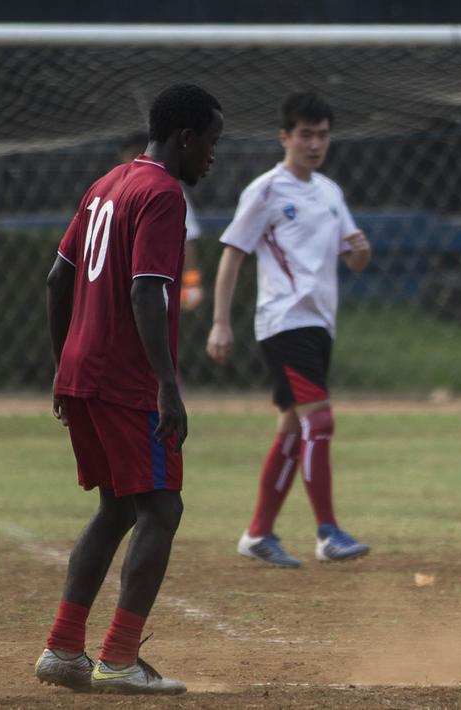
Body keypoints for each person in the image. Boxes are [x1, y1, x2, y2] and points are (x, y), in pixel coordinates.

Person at [35, 83, 223, 694]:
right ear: (185, 138)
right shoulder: (163, 194)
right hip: (126, 379)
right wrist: (168, 386)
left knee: (117, 506)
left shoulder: (107, 183)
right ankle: (117, 659)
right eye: (211, 144)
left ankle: (64, 650)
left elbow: (56, 279)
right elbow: (148, 289)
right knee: (162, 508)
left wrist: (65, 363)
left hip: (83, 373)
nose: (212, 159)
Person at [207, 91, 372, 569]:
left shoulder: (329, 192)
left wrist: (361, 251)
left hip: (320, 324)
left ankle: (258, 533)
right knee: (319, 422)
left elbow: (356, 259)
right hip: (283, 322)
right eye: (306, 134)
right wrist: (220, 323)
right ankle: (327, 532)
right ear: (285, 137)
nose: (315, 143)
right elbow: (233, 254)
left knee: (292, 430)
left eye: (322, 134)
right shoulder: (266, 190)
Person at [119, 131, 206, 311]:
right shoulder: (116, 189)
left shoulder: (168, 190)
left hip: (155, 284)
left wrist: (192, 282)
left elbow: (186, 237)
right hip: (122, 281)